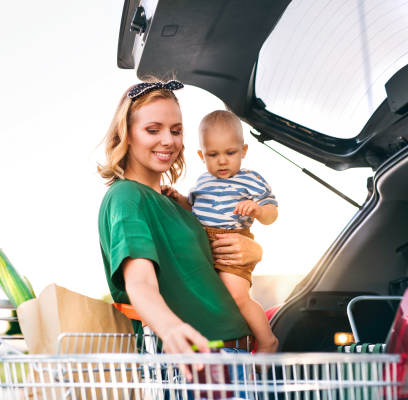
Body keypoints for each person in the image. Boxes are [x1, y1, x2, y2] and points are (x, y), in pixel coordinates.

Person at [96, 80, 265, 369]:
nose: (169, 140)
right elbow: (140, 281)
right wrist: (171, 328)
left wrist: (252, 252)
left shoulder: (174, 202)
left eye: (176, 130)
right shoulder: (127, 197)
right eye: (153, 130)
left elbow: (200, 271)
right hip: (199, 360)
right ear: (127, 134)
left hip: (234, 354)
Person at [163, 110, 279, 354]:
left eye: (230, 153)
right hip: (203, 243)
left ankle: (267, 340)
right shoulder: (202, 181)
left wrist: (258, 210)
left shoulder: (251, 180)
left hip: (232, 242)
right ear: (201, 155)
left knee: (237, 296)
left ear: (244, 151)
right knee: (211, 296)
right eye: (213, 155)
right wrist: (178, 198)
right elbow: (192, 206)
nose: (222, 161)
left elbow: (272, 213)